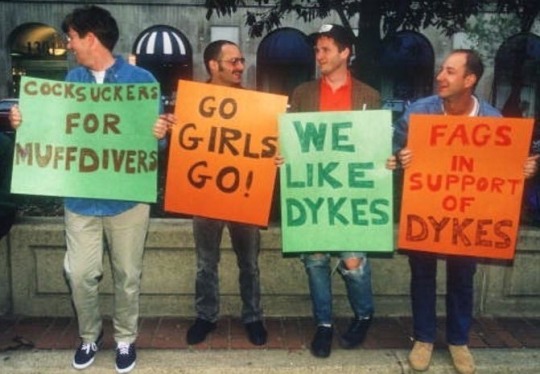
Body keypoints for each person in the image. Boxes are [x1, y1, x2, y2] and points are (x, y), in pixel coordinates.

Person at [10, 5, 163, 373]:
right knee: (79, 274)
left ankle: (125, 339)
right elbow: (52, 134)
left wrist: (159, 134)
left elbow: (153, 144)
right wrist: (24, 122)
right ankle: (89, 336)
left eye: (72, 37)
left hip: (127, 199)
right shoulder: (71, 83)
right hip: (80, 198)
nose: (69, 45)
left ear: (90, 38)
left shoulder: (141, 81)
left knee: (128, 274)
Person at [388, 49, 538, 374]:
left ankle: (458, 341)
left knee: (463, 276)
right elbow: (393, 151)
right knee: (422, 275)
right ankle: (424, 338)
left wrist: (522, 170)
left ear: (470, 80)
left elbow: (505, 167)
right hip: (426, 210)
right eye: (442, 69)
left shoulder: (493, 120)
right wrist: (402, 158)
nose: (440, 77)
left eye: (450, 72)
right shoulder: (418, 112)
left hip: (468, 215)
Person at [153, 40, 268, 346]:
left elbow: (264, 147)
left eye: (242, 61)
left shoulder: (253, 101)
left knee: (250, 263)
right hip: (205, 196)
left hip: (242, 195)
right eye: (233, 61)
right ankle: (206, 317)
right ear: (213, 65)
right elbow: (178, 150)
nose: (240, 67)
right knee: (206, 262)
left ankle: (253, 317)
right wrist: (172, 128)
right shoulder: (192, 102)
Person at [285, 24, 380, 359]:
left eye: (325, 49)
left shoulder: (369, 96)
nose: (319, 56)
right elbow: (290, 140)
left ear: (345, 52)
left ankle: (364, 314)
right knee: (315, 260)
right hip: (312, 191)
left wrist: (386, 162)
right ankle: (323, 324)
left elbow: (375, 148)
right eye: (316, 50)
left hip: (351, 194)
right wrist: (283, 154)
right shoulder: (302, 93)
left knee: (354, 263)